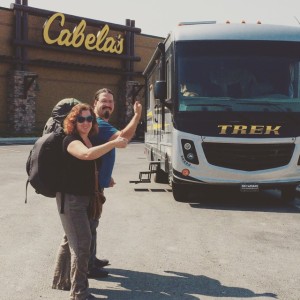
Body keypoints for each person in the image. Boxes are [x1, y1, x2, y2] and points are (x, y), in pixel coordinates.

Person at [52, 103, 128, 300]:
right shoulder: (71, 140)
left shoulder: (89, 139)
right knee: (82, 244)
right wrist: (112, 144)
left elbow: (92, 164)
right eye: (81, 119)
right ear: (73, 121)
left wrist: (105, 178)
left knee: (73, 240)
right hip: (71, 200)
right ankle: (79, 293)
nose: (86, 123)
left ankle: (61, 280)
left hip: (87, 198)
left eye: (89, 119)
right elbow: (86, 156)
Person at [87, 88, 142, 278]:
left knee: (93, 223)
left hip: (96, 182)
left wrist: (106, 175)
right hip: (89, 186)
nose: (108, 104)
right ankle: (87, 266)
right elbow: (124, 138)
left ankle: (90, 259)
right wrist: (137, 116)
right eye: (104, 101)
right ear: (95, 103)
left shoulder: (99, 124)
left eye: (111, 101)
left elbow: (100, 151)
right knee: (89, 225)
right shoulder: (98, 123)